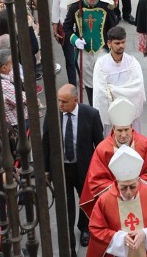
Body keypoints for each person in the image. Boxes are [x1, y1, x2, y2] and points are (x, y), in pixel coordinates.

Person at [43, 84, 104, 253]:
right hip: (61, 168)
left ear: (75, 100)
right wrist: (46, 170)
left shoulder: (90, 114)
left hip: (83, 167)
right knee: (66, 202)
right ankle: (68, 233)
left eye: (64, 101)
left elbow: (99, 144)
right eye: (58, 101)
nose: (60, 105)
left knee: (86, 200)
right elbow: (46, 141)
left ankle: (85, 228)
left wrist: (100, 170)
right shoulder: (53, 113)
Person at [80, 98, 147, 219]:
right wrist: (121, 189)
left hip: (141, 198)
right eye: (119, 130)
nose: (123, 134)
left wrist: (135, 186)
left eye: (126, 130)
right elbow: (96, 180)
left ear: (132, 127)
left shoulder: (143, 144)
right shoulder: (103, 149)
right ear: (113, 129)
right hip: (113, 202)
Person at [87, 146, 147, 257]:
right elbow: (96, 228)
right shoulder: (105, 200)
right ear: (117, 182)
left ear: (138, 180)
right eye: (123, 187)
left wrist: (146, 233)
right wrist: (118, 237)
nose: (128, 192)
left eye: (132, 187)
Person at [62, 0, 116, 105]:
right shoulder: (75, 7)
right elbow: (67, 27)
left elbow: (113, 28)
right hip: (84, 52)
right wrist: (75, 40)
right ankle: (93, 106)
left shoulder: (106, 7)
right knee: (90, 84)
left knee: (104, 81)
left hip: (102, 50)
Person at [92, 26, 145, 136]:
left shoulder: (132, 63)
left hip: (130, 115)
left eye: (123, 42)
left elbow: (137, 90)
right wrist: (124, 93)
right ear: (109, 43)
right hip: (111, 117)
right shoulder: (101, 64)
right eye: (117, 43)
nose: (121, 46)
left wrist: (112, 90)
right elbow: (101, 92)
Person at [52, 0, 79, 85]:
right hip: (67, 30)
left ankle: (83, 77)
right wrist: (55, 27)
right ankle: (72, 84)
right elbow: (55, 11)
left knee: (80, 57)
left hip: (79, 29)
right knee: (70, 59)